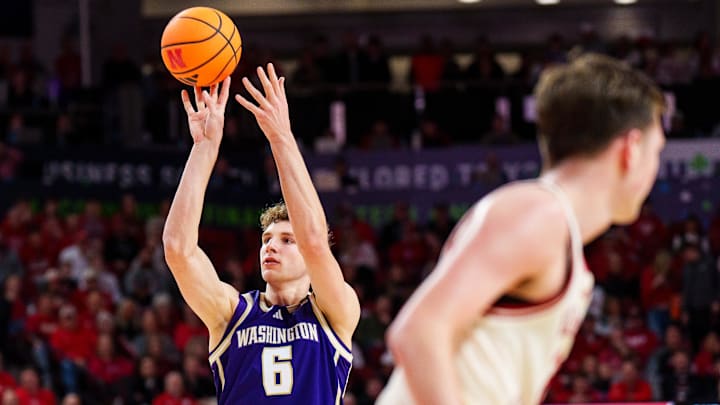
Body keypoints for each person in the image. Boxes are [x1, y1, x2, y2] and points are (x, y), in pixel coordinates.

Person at [377, 53, 666, 405]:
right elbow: (418, 333)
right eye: (657, 153)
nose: (655, 170)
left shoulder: (556, 229)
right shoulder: (539, 213)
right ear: (631, 150)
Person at [162, 66, 360, 404]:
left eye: (286, 240)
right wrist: (205, 147)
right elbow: (178, 249)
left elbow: (313, 239)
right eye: (267, 239)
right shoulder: (232, 312)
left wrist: (281, 137)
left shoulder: (334, 310)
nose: (271, 246)